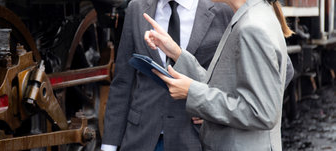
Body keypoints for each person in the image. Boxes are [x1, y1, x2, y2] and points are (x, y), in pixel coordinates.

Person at [144, 0, 292, 150]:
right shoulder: (255, 16)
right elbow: (224, 85)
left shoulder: (251, 27)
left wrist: (192, 92)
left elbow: (261, 112)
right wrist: (176, 53)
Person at [101, 0, 234, 150]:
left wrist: (214, 112)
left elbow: (231, 81)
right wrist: (109, 146)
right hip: (141, 137)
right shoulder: (137, 8)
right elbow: (122, 81)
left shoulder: (223, 11)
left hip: (194, 138)